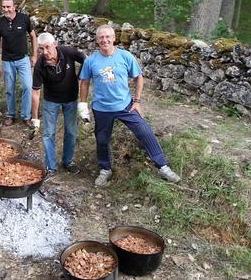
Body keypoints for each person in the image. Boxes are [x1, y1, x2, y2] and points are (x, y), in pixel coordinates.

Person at [78, 24, 181, 187]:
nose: (104, 40)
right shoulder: (91, 61)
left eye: (107, 37)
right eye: (101, 38)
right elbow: (84, 82)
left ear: (113, 38)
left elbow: (138, 77)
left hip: (126, 106)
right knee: (102, 140)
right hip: (101, 109)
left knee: (144, 131)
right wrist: (82, 105)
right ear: (97, 41)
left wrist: (137, 101)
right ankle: (105, 170)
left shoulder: (125, 56)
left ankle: (163, 167)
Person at [31, 33, 86, 176]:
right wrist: (35, 119)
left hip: (70, 98)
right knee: (48, 133)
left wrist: (81, 76)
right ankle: (51, 166)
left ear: (55, 44)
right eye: (41, 49)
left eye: (47, 47)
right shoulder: (40, 65)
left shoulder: (67, 52)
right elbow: (36, 93)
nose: (45, 52)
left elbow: (85, 60)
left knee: (71, 131)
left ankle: (68, 161)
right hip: (51, 101)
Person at [0, 0, 37, 127]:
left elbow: (33, 36)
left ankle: (26, 116)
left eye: (8, 7)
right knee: (9, 89)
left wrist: (35, 56)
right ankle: (10, 115)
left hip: (23, 59)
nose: (6, 9)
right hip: (7, 61)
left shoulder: (24, 19)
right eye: (3, 7)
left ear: (14, 7)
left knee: (28, 87)